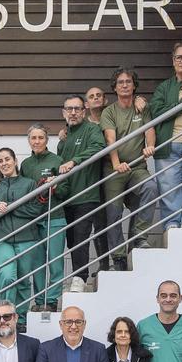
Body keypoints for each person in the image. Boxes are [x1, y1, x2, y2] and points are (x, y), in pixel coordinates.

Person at [100, 66, 158, 269]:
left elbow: (149, 129)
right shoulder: (109, 112)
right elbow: (110, 138)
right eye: (120, 82)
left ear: (134, 86)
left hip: (137, 166)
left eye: (128, 82)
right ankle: (118, 256)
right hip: (114, 169)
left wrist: (150, 146)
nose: (124, 85)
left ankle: (138, 238)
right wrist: (116, 164)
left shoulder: (142, 107)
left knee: (150, 188)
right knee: (113, 212)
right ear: (114, 88)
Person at [55, 95, 106, 292]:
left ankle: (80, 278)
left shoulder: (91, 129)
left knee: (81, 237)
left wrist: (74, 161)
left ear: (84, 111)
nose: (73, 112)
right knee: (71, 240)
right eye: (69, 109)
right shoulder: (64, 138)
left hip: (86, 195)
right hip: (66, 198)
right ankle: (78, 275)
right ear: (64, 113)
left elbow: (98, 147)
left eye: (77, 109)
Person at [0, 147, 44, 323]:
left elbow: (36, 209)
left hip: (27, 238)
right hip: (2, 239)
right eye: (0, 161)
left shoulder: (29, 183)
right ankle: (5, 314)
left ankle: (21, 320)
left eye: (7, 159)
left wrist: (11, 207)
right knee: (7, 276)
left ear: (15, 161)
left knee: (23, 281)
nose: (4, 163)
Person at [148, 42, 182, 230]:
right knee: (169, 188)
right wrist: (181, 103)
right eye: (179, 57)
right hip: (168, 144)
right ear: (173, 61)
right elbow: (157, 111)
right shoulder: (164, 87)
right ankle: (172, 223)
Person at [20, 124, 66, 312]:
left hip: (54, 217)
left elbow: (66, 190)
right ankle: (40, 301)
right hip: (32, 221)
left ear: (47, 140)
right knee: (37, 264)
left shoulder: (57, 160)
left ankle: (52, 299)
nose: (37, 141)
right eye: (33, 138)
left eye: (40, 138)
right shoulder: (25, 165)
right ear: (29, 141)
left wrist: (54, 186)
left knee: (55, 261)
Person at [84, 86, 112, 277]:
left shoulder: (111, 116)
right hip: (91, 177)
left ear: (105, 100)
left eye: (98, 96)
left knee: (111, 219)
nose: (95, 99)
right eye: (91, 97)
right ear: (86, 104)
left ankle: (118, 257)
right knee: (98, 221)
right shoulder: (82, 125)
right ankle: (103, 263)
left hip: (110, 171)